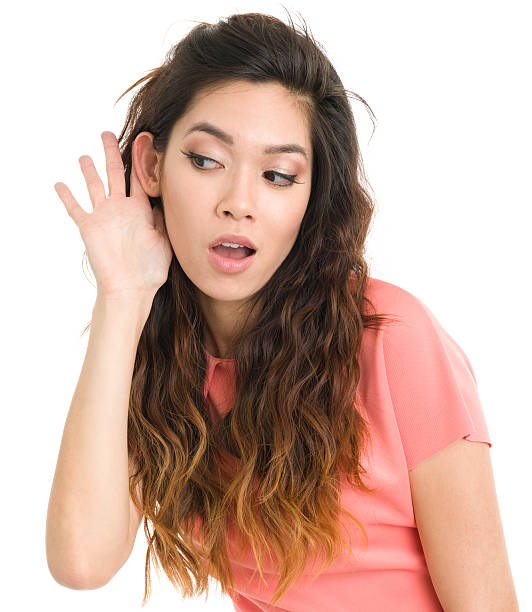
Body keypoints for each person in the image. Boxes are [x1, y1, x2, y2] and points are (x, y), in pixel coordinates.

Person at [46, 10, 519, 612]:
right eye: (207, 160)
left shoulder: (389, 339)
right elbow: (81, 563)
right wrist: (122, 297)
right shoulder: (150, 354)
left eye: (277, 175)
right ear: (151, 167)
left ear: (310, 197)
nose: (239, 202)